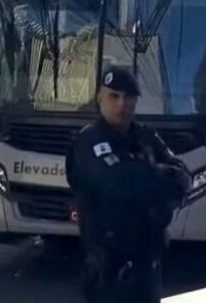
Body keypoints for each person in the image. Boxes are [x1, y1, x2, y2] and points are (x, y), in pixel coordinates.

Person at [66, 66, 192, 303]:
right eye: (113, 96)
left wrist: (152, 176)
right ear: (100, 99)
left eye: (128, 98)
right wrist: (159, 178)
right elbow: (120, 184)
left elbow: (183, 176)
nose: (121, 104)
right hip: (109, 269)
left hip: (148, 265)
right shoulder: (89, 141)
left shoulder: (144, 136)